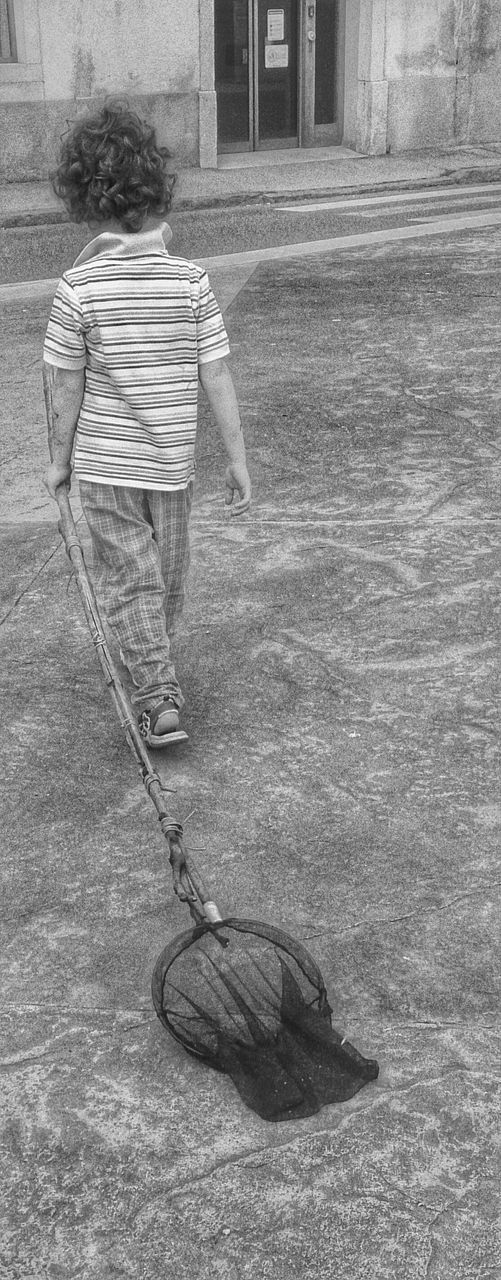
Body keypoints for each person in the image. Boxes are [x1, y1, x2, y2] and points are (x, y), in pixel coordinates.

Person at [43, 99, 251, 747]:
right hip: (171, 469)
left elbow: (64, 386)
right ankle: (158, 688)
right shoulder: (190, 282)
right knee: (164, 580)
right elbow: (215, 374)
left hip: (106, 469)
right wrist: (238, 459)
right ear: (158, 189)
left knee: (132, 579)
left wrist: (58, 460)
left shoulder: (77, 288)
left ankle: (153, 681)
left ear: (85, 198)